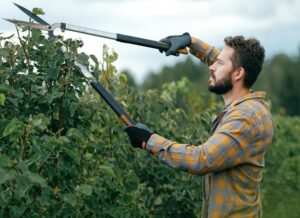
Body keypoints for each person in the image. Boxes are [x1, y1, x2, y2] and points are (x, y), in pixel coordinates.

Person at [125, 33, 274, 217]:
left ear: (238, 73)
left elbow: (202, 159)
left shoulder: (245, 118)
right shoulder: (244, 99)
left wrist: (150, 141)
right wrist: (191, 42)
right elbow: (219, 60)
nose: (211, 66)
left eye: (219, 63)